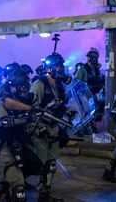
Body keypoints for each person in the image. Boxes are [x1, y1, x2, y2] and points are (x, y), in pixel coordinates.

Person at [0, 70, 36, 201]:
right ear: (13, 87)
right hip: (3, 144)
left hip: (20, 143)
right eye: (22, 86)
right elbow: (3, 122)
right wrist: (25, 119)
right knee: (18, 184)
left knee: (5, 179)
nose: (25, 89)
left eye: (27, 86)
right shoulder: (2, 102)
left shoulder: (26, 103)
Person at [30, 53, 68, 202]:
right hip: (41, 130)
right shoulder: (39, 85)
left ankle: (44, 194)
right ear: (50, 69)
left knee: (51, 164)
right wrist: (39, 128)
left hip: (54, 128)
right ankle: (12, 184)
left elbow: (62, 104)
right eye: (59, 66)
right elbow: (30, 109)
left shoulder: (58, 85)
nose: (61, 69)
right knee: (37, 163)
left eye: (61, 66)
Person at [75, 48, 105, 132]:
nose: (95, 59)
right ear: (88, 58)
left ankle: (94, 126)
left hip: (95, 94)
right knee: (88, 114)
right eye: (93, 57)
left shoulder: (96, 70)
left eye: (96, 57)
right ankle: (86, 128)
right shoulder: (82, 69)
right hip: (85, 96)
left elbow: (99, 79)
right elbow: (76, 84)